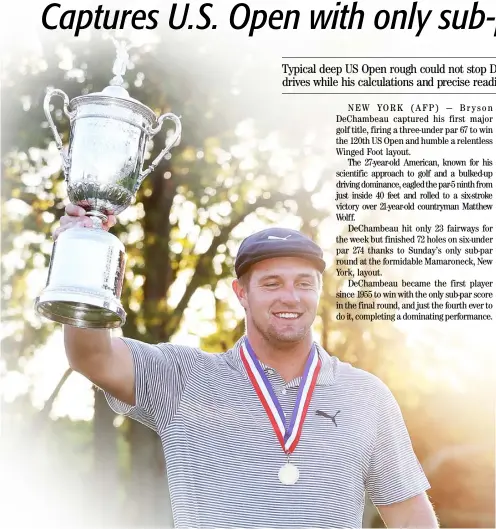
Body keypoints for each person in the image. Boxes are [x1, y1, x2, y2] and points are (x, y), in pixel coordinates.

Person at [55, 204, 439, 529]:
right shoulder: (183, 378)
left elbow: (411, 517)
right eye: (272, 283)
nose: (290, 296)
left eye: (304, 283)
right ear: (242, 293)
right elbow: (92, 355)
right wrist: (82, 255)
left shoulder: (366, 396)